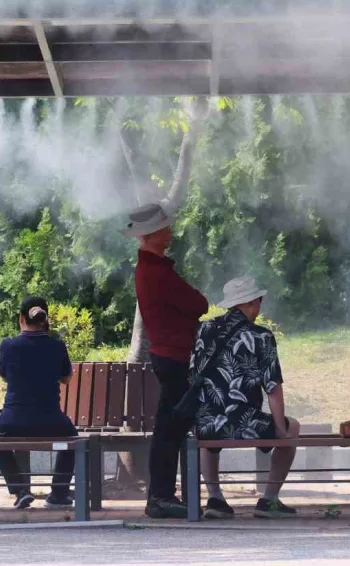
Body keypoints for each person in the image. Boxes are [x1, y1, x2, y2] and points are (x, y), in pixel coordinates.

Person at [124, 203, 209, 519]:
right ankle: (161, 496)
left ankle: (164, 494)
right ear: (151, 234)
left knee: (171, 428)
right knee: (170, 429)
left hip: (170, 353)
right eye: (165, 227)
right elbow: (198, 303)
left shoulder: (153, 269)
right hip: (174, 355)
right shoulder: (156, 272)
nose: (170, 231)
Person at [191, 276, 300, 520]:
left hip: (206, 426)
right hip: (245, 423)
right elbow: (273, 387)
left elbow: (193, 375)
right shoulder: (261, 336)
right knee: (293, 426)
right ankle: (269, 500)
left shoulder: (204, 330)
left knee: (209, 425)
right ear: (251, 302)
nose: (260, 305)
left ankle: (215, 498)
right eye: (259, 300)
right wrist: (281, 429)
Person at [0, 297, 78, 510]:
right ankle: (58, 494)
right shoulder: (57, 346)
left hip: (12, 423)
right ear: (45, 320)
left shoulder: (8, 345)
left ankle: (20, 489)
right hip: (51, 422)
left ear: (21, 318)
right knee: (74, 440)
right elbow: (66, 378)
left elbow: (4, 376)